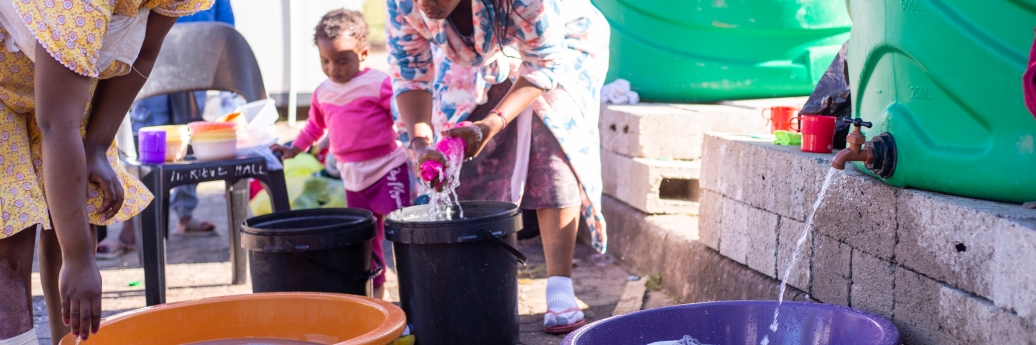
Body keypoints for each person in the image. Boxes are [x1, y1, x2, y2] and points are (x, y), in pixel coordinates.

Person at [387, 0, 610, 334]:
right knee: (457, 145)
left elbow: (544, 64)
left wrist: (492, 125)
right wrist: (420, 144)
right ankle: (474, 278)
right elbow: (410, 76)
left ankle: (560, 286)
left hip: (560, 41)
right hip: (481, 57)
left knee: (552, 140)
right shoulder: (401, 4)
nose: (426, 4)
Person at [0, 1, 215, 344]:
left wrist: (97, 144)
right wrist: (79, 258)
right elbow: (57, 124)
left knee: (78, 208)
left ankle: (67, 340)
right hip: (9, 80)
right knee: (10, 237)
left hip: (66, 79)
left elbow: (143, 53)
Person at [271, 9, 409, 301]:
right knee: (367, 238)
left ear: (363, 53)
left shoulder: (379, 83)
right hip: (353, 177)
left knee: (403, 227)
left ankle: (414, 283)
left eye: (342, 61)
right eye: (325, 61)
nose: (333, 68)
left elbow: (401, 115)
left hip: (388, 168)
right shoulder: (323, 93)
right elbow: (314, 128)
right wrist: (293, 149)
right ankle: (377, 295)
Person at [96, 0, 237, 259]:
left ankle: (186, 213)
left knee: (189, 136)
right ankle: (134, 219)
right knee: (147, 137)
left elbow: (225, 27)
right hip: (150, 65)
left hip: (197, 67)